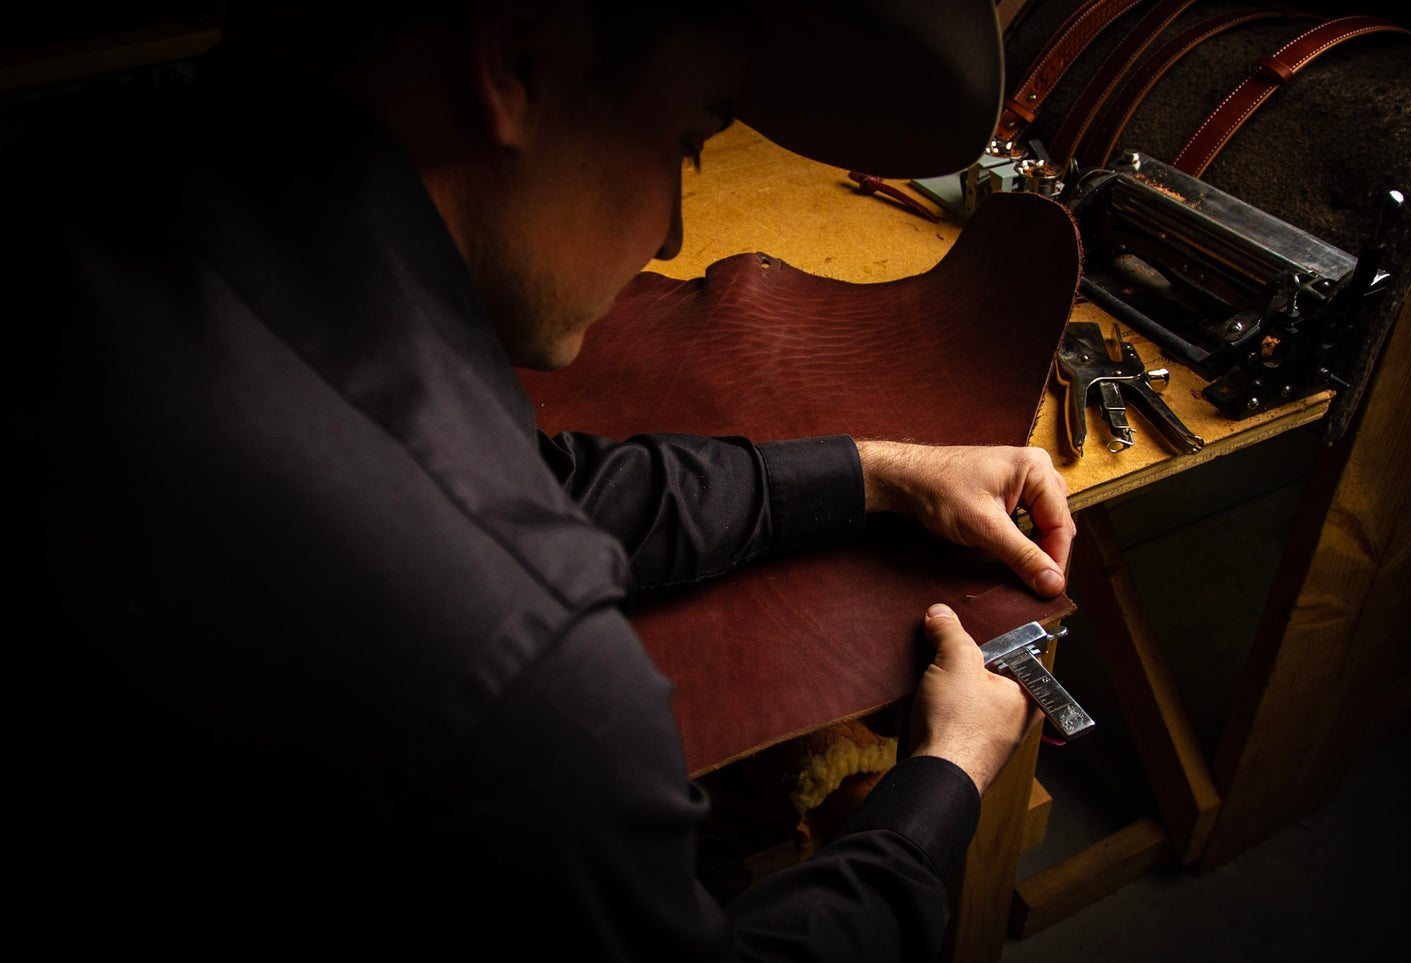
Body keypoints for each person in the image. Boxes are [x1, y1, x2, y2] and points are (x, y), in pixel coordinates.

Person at [8, 1, 1075, 958]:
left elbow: (512, 483)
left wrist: (875, 472)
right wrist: (940, 784)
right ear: (519, 57)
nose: (670, 231)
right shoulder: (525, 668)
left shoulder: (99, 166)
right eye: (687, 143)